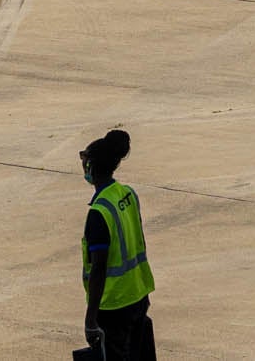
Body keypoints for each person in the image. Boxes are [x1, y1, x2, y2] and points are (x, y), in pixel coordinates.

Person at [79, 128, 156, 358]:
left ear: (91, 167)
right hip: (138, 293)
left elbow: (99, 268)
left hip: (114, 305)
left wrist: (91, 318)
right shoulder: (127, 194)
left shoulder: (99, 212)